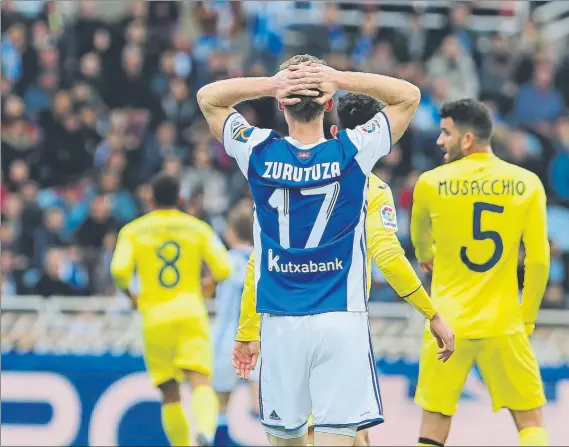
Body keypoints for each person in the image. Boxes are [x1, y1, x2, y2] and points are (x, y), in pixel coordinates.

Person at [197, 54, 454, 446]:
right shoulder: (353, 151)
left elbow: (208, 98)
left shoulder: (258, 150)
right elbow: (408, 97)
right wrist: (337, 77)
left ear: (282, 105)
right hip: (341, 319)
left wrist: (272, 84)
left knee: (287, 439)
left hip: (281, 321)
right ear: (329, 103)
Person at [411, 99, 550, 447]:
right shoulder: (527, 183)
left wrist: (429, 255)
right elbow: (538, 261)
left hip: (447, 325)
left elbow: (420, 246)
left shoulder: (429, 183)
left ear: (468, 138)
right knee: (530, 419)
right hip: (503, 322)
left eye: (446, 132)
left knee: (433, 425)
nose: (440, 140)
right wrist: (528, 319)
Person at [110, 174, 233, 447]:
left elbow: (118, 270)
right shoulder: (197, 228)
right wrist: (209, 283)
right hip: (191, 312)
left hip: (154, 317)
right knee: (200, 381)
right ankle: (205, 432)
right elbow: (224, 266)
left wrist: (130, 294)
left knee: (169, 391)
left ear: (150, 199)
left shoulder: (133, 230)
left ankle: (182, 444)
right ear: (180, 199)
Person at [212, 203, 258, 447]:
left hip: (225, 340)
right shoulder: (262, 259)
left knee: (220, 403)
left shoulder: (224, 261)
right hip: (259, 340)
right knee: (265, 405)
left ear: (231, 232)